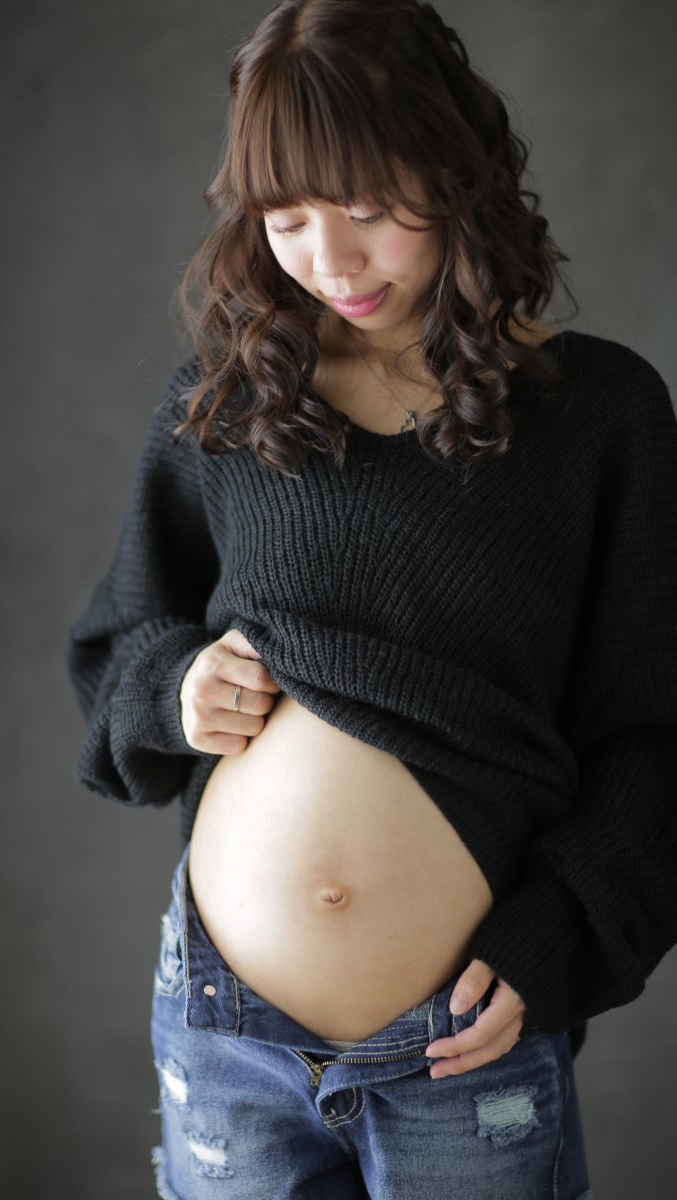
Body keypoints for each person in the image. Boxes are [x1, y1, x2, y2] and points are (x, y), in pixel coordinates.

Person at [66, 2, 677, 1197]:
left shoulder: (600, 416)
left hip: (461, 1040)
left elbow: (651, 731)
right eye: (287, 218)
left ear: (455, 176)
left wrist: (560, 929)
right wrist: (175, 688)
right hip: (223, 1039)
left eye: (366, 208)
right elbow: (117, 650)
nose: (329, 261)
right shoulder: (223, 410)